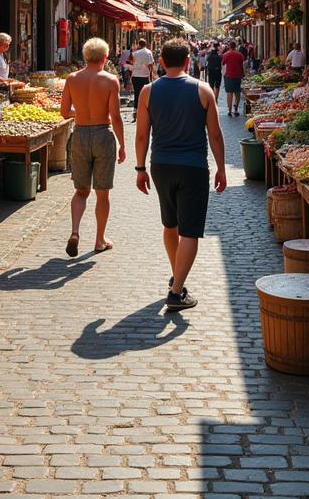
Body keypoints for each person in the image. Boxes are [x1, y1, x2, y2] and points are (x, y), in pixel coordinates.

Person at [134, 39, 227, 311]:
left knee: (170, 225)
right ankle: (176, 293)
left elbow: (141, 136)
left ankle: (178, 275)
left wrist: (140, 169)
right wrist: (221, 167)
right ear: (188, 61)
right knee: (190, 232)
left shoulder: (148, 92)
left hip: (161, 165)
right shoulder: (203, 90)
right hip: (193, 167)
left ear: (160, 62)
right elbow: (216, 134)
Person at [61, 37, 125, 257]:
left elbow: (63, 112)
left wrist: (79, 113)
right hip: (102, 134)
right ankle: (99, 240)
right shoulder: (110, 80)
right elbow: (115, 117)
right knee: (102, 193)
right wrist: (123, 145)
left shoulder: (72, 78)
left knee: (81, 191)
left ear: (85, 56)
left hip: (79, 133)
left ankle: (75, 231)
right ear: (105, 57)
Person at [129, 37, 155, 121]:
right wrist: (151, 76)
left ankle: (135, 111)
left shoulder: (135, 53)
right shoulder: (148, 52)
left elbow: (131, 63)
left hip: (135, 76)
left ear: (139, 44)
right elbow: (151, 64)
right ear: (145, 44)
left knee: (137, 94)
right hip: (144, 76)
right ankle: (146, 111)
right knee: (146, 94)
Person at [221, 42, 246, 117]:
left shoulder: (226, 54)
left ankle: (229, 110)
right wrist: (243, 74)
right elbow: (242, 65)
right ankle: (236, 109)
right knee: (237, 92)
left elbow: (223, 63)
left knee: (229, 93)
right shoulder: (240, 55)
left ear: (229, 46)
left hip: (228, 76)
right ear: (235, 47)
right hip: (238, 75)